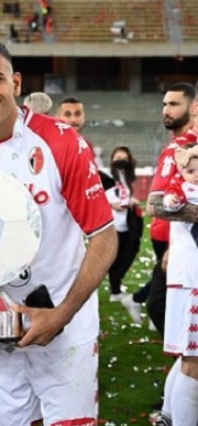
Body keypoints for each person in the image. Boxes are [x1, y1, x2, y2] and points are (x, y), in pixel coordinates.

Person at [0, 38, 117, 425]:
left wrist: (62, 314)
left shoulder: (61, 141)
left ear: (15, 82)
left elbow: (104, 237)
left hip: (65, 328)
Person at [125, 82, 195, 335]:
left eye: (174, 104)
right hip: (168, 241)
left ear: (193, 107)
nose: (166, 110)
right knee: (162, 307)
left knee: (160, 307)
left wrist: (175, 245)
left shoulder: (188, 149)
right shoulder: (175, 147)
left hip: (182, 245)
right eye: (165, 104)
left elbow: (156, 204)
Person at [154, 143, 198, 426]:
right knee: (194, 364)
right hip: (192, 281)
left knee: (189, 357)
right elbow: (157, 205)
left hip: (187, 279)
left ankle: (168, 416)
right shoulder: (180, 191)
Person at [104, 147, 143, 306]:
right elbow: (95, 197)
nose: (121, 160)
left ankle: (115, 288)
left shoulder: (127, 177)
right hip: (112, 226)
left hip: (128, 223)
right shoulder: (105, 176)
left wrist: (132, 201)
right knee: (115, 258)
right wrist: (111, 205)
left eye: (124, 158)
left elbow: (125, 194)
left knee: (128, 254)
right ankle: (115, 290)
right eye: (118, 157)